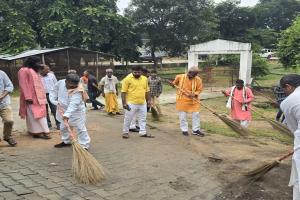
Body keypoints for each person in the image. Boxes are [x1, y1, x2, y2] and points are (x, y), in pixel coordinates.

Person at [50, 71, 90, 149]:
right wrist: (54, 101)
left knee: (81, 129)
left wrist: (67, 114)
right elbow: (53, 91)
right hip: (63, 109)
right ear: (66, 81)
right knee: (63, 127)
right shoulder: (60, 83)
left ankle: (84, 145)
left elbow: (73, 104)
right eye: (71, 86)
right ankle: (66, 141)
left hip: (76, 112)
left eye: (74, 86)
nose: (73, 88)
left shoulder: (79, 89)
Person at [18, 57, 50, 139]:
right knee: (33, 115)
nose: (38, 64)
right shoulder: (23, 70)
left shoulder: (33, 70)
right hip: (31, 97)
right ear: (32, 62)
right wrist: (28, 97)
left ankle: (43, 131)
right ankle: (36, 132)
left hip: (39, 97)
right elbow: (23, 84)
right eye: (37, 62)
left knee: (41, 114)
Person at [279, 74, 300, 200]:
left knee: (298, 179)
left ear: (288, 86)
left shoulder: (288, 101)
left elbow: (293, 128)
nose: (284, 92)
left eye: (284, 89)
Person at [121, 66, 152, 139]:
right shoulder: (127, 79)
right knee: (128, 118)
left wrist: (149, 100)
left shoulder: (144, 79)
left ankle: (143, 132)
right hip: (131, 103)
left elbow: (147, 90)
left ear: (141, 72)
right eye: (135, 72)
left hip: (142, 102)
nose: (137, 73)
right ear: (132, 72)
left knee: (143, 118)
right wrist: (124, 103)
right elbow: (123, 92)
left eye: (139, 72)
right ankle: (125, 132)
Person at [172, 66, 204, 137]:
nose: (195, 76)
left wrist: (194, 94)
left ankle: (195, 130)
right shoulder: (179, 77)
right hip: (182, 100)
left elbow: (199, 90)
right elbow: (174, 84)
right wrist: (173, 84)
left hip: (193, 100)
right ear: (189, 72)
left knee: (196, 114)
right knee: (182, 116)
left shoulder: (198, 79)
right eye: (194, 74)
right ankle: (184, 130)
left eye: (196, 74)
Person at [0, 70, 17, 146]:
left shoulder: (1, 73)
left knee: (9, 121)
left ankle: (7, 137)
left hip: (4, 103)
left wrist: (2, 96)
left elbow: (10, 85)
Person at [40, 64, 60, 129]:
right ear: (41, 70)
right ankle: (48, 125)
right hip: (42, 95)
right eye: (46, 69)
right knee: (45, 111)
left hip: (52, 95)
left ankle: (58, 124)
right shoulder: (37, 77)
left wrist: (57, 94)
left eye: (48, 69)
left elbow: (56, 84)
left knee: (55, 110)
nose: (48, 70)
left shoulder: (51, 75)